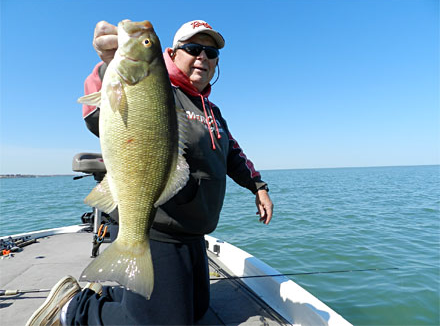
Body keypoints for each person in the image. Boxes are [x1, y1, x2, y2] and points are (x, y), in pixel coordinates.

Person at [27, 19, 274, 326]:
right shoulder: (158, 90)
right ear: (170, 54)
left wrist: (258, 187)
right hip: (156, 228)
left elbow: (232, 154)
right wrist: (107, 65)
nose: (203, 58)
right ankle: (72, 309)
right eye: (193, 49)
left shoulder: (212, 111)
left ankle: (111, 294)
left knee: (196, 311)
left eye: (211, 53)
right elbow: (98, 113)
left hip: (192, 233)